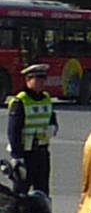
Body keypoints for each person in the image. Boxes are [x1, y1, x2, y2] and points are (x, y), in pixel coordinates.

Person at [8, 63, 58, 195]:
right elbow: (14, 131)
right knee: (20, 193)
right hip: (25, 153)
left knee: (42, 192)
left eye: (43, 79)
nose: (42, 82)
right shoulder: (20, 101)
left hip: (41, 153)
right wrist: (17, 156)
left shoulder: (46, 99)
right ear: (28, 80)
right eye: (37, 79)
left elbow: (52, 119)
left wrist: (53, 128)